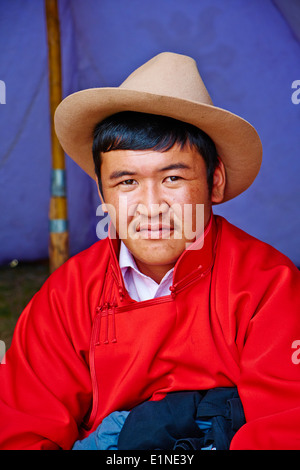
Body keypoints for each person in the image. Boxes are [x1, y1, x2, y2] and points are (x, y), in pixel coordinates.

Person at [0, 52, 299, 450]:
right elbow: (23, 427)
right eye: (126, 182)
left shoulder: (269, 286)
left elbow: (285, 426)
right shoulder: (67, 294)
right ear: (103, 193)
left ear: (214, 181)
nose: (151, 205)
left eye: (173, 177)